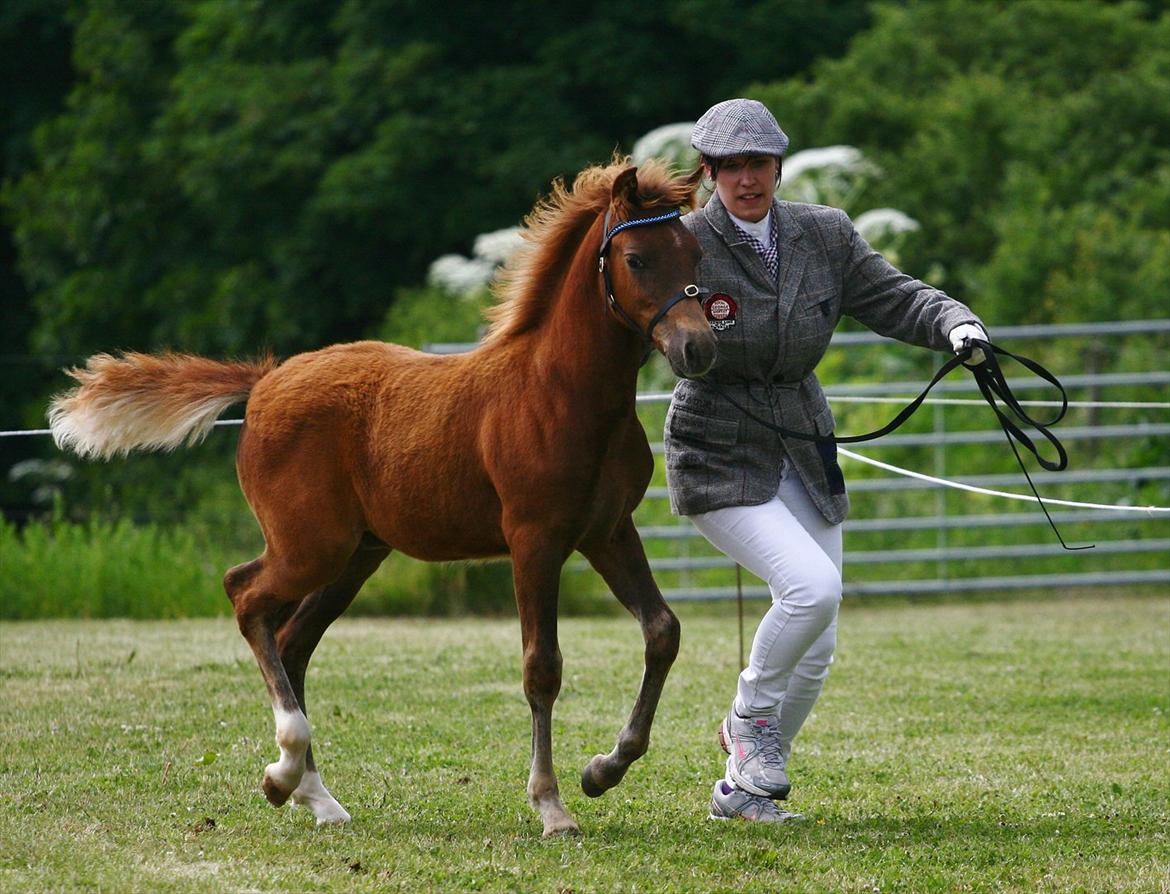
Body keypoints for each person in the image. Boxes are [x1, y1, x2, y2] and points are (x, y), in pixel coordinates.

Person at [664, 98, 988, 823]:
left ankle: (742, 793)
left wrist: (956, 323)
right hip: (717, 449)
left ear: (778, 166)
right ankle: (748, 721)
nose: (749, 179)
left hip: (805, 444)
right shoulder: (682, 243)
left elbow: (894, 297)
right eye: (733, 166)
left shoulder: (825, 233)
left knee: (819, 640)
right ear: (711, 172)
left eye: (761, 164)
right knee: (811, 588)